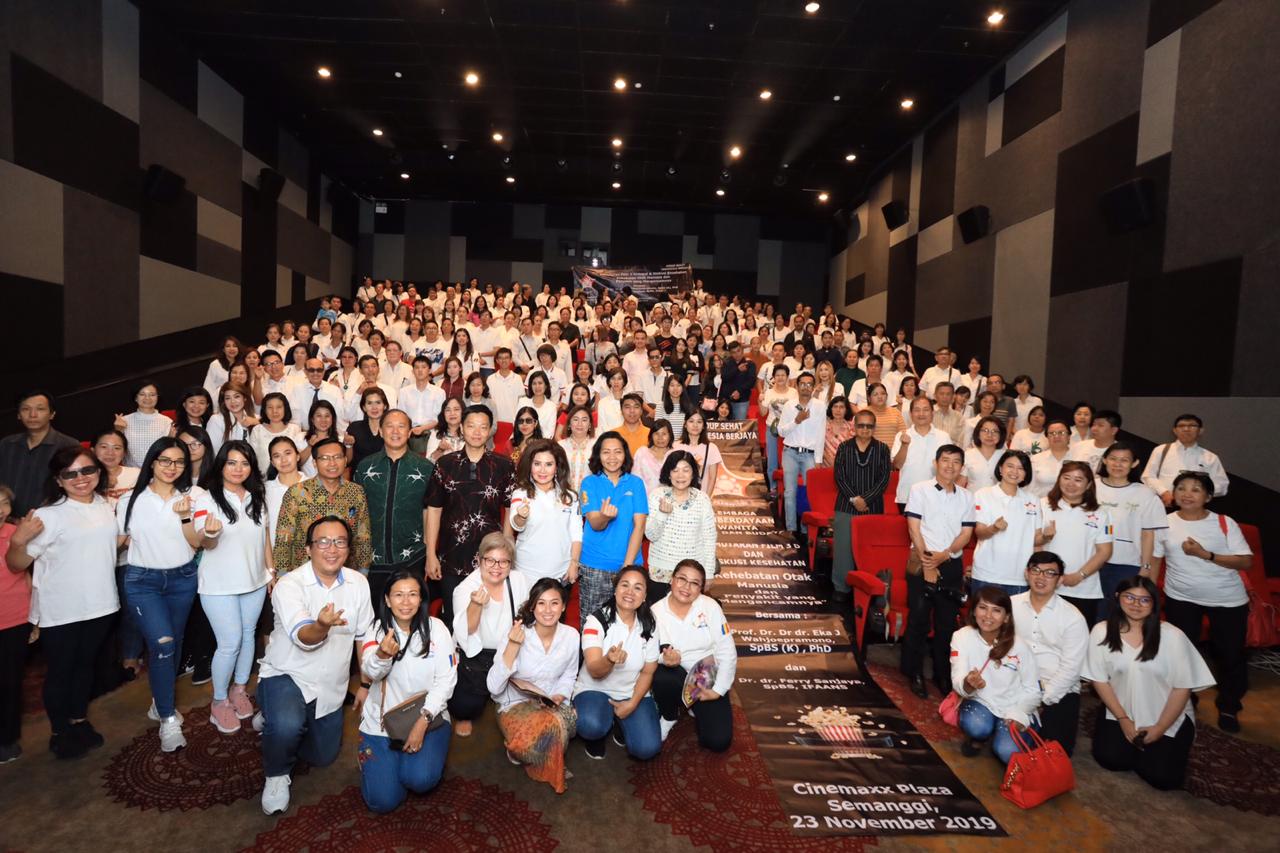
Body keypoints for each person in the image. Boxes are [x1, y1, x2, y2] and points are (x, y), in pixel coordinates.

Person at [6, 447, 118, 760]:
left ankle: (78, 720)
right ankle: (60, 731)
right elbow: (16, 564)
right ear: (58, 480)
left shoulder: (107, 505)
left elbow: (112, 544)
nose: (80, 478)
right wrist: (18, 540)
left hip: (102, 603)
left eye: (87, 470)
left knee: (85, 667)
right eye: (70, 474)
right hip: (61, 609)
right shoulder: (47, 516)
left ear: (98, 472)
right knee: (61, 671)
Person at [258, 517, 375, 815]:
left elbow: (363, 637)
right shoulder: (289, 585)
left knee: (322, 757)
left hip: (329, 687)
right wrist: (322, 625)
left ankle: (275, 717)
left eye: (339, 542)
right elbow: (304, 637)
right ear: (308, 549)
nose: (331, 549)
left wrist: (365, 684)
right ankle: (275, 774)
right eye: (322, 541)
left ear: (348, 549)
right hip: (288, 674)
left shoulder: (358, 583)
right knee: (287, 726)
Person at [1083, 576, 1215, 790]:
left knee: (1162, 779)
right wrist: (1123, 719)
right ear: (1117, 598)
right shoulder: (1102, 630)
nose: (1136, 604)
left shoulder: (1173, 636)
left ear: (1154, 604)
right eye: (1129, 597)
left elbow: (1183, 688)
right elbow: (1099, 680)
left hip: (1165, 717)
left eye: (1144, 600)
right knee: (1111, 760)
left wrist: (1161, 727)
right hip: (1122, 712)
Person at [1154, 471, 1253, 732]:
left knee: (1230, 654)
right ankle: (1187, 698)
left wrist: (1205, 554)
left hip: (1227, 599)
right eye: (1182, 488)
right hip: (1181, 597)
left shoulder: (1224, 522)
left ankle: (1229, 705)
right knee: (1183, 653)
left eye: (1196, 489)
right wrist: (1149, 590)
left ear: (1208, 496)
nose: (1187, 494)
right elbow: (1154, 559)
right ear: (1173, 494)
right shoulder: (1164, 522)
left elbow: (1245, 560)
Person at [357, 570, 455, 813]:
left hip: (427, 716)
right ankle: (378, 765)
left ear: (421, 599)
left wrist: (422, 723)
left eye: (413, 594)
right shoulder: (378, 629)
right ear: (387, 600)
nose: (406, 601)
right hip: (382, 722)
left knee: (420, 780)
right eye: (398, 595)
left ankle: (402, 766)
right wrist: (382, 655)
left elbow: (446, 680)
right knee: (382, 802)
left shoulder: (437, 629)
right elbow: (370, 670)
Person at [193, 440, 273, 734]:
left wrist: (270, 571)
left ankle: (239, 689)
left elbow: (264, 538)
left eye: (244, 463)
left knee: (249, 636)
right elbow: (204, 540)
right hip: (218, 585)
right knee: (230, 642)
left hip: (253, 581)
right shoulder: (207, 499)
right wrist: (211, 534)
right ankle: (218, 701)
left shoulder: (256, 497)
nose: (238, 469)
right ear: (221, 465)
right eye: (232, 462)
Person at [486, 577, 580, 793]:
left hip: (549, 702)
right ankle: (516, 749)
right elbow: (493, 687)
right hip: (514, 704)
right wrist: (512, 646)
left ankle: (542, 754)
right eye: (541, 603)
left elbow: (569, 674)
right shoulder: (517, 634)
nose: (548, 610)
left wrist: (559, 695)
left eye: (554, 603)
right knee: (526, 745)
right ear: (532, 606)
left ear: (563, 606)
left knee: (566, 725)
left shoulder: (572, 636)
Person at [425, 406, 515, 624]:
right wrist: (430, 554)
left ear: (490, 431)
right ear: (462, 429)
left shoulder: (504, 465)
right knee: (453, 618)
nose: (477, 432)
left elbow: (510, 509)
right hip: (451, 556)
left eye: (483, 427)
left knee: (489, 620)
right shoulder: (445, 464)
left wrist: (507, 551)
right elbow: (434, 509)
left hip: (490, 559)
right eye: (471, 426)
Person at [903, 445, 975, 699]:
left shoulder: (966, 496)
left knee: (946, 623)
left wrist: (946, 554)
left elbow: (966, 533)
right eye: (945, 460)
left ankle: (942, 673)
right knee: (919, 620)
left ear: (961, 467)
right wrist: (928, 561)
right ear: (936, 463)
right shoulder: (919, 489)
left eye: (956, 462)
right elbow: (914, 528)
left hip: (951, 563)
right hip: (923, 560)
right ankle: (914, 672)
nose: (950, 466)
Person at [573, 566, 662, 760]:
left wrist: (633, 703)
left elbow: (648, 671)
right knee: (590, 725)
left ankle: (622, 722)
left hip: (631, 691)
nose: (630, 592)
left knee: (647, 749)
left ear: (645, 596)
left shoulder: (650, 623)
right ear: (615, 590)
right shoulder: (596, 621)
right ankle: (598, 733)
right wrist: (609, 660)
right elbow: (595, 670)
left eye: (638, 588)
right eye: (625, 585)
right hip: (595, 689)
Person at [449, 532, 532, 738]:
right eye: (491, 560)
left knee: (524, 703)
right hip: (475, 657)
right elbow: (466, 632)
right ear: (479, 560)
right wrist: (476, 605)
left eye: (504, 562)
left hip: (509, 651)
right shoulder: (464, 589)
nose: (497, 567)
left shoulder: (518, 580)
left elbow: (529, 617)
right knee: (464, 706)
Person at [651, 559, 736, 749]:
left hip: (706, 675)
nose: (686, 587)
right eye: (682, 579)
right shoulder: (655, 612)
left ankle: (694, 705)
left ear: (701, 588)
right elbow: (647, 651)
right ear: (671, 580)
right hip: (675, 673)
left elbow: (727, 650)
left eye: (695, 583)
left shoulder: (710, 606)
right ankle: (669, 715)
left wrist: (718, 690)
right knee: (660, 674)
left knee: (717, 742)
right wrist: (664, 659)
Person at [950, 586, 1041, 762]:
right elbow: (957, 679)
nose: (988, 616)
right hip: (983, 702)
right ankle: (980, 737)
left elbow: (1034, 689)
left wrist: (1019, 714)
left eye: (996, 611)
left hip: (1015, 705)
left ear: (1006, 617)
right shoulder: (961, 636)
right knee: (975, 726)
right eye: (982, 607)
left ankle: (1022, 734)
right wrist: (969, 683)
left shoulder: (1019, 645)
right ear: (974, 610)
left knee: (1007, 752)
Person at [1011, 552, 1089, 756]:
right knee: (1009, 748)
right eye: (1035, 570)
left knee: (1055, 754)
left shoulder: (1073, 617)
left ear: (1060, 580)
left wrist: (1041, 699)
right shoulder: (1010, 605)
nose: (1041, 577)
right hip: (1016, 682)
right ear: (1027, 574)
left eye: (1049, 573)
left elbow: (1071, 670)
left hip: (1057, 689)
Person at [355, 411, 433, 606]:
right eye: (389, 426)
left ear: (409, 432)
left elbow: (430, 512)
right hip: (372, 561)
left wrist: (429, 552)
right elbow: (356, 513)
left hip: (413, 559)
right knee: (373, 620)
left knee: (411, 617)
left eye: (401, 426)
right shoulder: (365, 467)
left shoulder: (425, 468)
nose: (395, 431)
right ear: (380, 431)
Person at [577, 432, 648, 630]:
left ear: (625, 455)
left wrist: (626, 568)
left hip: (630, 567)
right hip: (594, 566)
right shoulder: (589, 483)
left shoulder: (636, 483)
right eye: (606, 452)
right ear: (598, 455)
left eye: (617, 452)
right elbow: (595, 523)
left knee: (626, 625)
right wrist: (605, 516)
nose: (612, 457)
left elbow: (639, 526)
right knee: (592, 624)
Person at [272, 437, 373, 575]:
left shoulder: (356, 492)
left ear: (345, 460)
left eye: (337, 457)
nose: (332, 463)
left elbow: (363, 534)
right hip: (304, 574)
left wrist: (363, 570)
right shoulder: (297, 492)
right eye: (325, 458)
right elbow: (284, 537)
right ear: (315, 463)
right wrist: (282, 574)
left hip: (346, 572)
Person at [1095, 443, 1167, 619]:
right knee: (1089, 612)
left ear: (1134, 464)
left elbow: (1148, 534)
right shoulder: (1091, 487)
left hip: (1126, 564)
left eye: (1124, 460)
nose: (1117, 464)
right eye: (1113, 459)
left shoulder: (1145, 494)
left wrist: (1146, 567)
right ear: (1104, 460)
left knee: (1113, 615)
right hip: (1090, 560)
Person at [1037, 462, 1113, 626]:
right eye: (1066, 478)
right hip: (1045, 586)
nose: (1071, 484)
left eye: (1078, 480)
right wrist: (1044, 538)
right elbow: (1032, 542)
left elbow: (1105, 551)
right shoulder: (1042, 505)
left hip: (1083, 589)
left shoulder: (1100, 513)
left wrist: (1080, 576)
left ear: (1089, 485)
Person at [831, 410, 892, 602]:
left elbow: (884, 479)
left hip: (872, 507)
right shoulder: (843, 447)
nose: (864, 429)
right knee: (843, 550)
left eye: (869, 426)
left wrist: (865, 500)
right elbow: (839, 476)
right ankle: (841, 587)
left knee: (870, 552)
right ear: (854, 427)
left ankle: (871, 588)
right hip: (846, 506)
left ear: (874, 428)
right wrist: (855, 499)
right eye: (861, 425)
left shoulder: (882, 449)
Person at [504, 440, 583, 585]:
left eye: (548, 464)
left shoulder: (570, 496)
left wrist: (574, 563)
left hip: (562, 572)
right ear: (530, 466)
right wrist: (521, 516)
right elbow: (517, 525)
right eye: (537, 464)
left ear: (557, 467)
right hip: (526, 572)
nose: (542, 470)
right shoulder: (520, 493)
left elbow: (576, 533)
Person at [645, 452, 717, 603]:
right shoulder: (656, 496)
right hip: (660, 572)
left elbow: (709, 538)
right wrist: (662, 515)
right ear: (668, 473)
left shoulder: (702, 499)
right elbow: (651, 535)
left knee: (689, 620)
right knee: (658, 620)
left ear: (693, 474)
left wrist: (709, 572)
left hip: (691, 574)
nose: (680, 475)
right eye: (675, 470)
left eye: (686, 470)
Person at [970, 450, 1042, 596]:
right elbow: (980, 533)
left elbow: (1037, 541)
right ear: (1000, 469)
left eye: (1021, 468)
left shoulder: (1033, 500)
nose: (1015, 471)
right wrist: (994, 528)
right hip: (987, 575)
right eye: (1010, 466)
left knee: (1015, 619)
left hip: (1020, 577)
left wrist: (1047, 537)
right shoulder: (983, 494)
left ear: (1026, 474)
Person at [0, 391, 80, 516]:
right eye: (26, 409)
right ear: (18, 415)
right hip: (6, 521)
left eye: (40, 409)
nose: (33, 415)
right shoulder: (6, 444)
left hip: (50, 521)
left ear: (52, 414)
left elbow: (75, 486)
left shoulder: (69, 445)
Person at [1141, 414, 1230, 506]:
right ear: (1174, 430)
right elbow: (1148, 476)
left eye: (1192, 425)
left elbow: (1222, 485)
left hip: (1194, 509)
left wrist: (1197, 493)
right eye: (1181, 426)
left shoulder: (1210, 457)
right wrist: (1163, 492)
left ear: (1200, 431)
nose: (1186, 429)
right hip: (1161, 504)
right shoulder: (1161, 450)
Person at [778, 372, 826, 533]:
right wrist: (797, 421)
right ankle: (791, 529)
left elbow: (821, 434)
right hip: (790, 452)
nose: (806, 387)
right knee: (789, 492)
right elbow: (781, 431)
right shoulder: (789, 405)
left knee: (810, 493)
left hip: (810, 455)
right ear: (797, 386)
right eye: (803, 384)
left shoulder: (819, 406)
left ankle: (806, 531)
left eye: (809, 384)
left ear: (813, 387)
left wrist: (818, 459)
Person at [891, 396, 950, 512]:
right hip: (907, 496)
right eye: (917, 410)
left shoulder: (943, 437)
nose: (921, 414)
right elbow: (897, 465)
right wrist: (904, 445)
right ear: (911, 414)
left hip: (936, 496)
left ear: (932, 413)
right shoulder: (901, 435)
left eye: (926, 409)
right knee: (910, 531)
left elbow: (950, 467)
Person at [112, 382, 174, 468]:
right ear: (136, 398)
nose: (147, 398)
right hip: (132, 472)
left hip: (158, 472)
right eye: (142, 394)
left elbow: (170, 451)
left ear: (157, 397)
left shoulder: (167, 421)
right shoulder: (124, 421)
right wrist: (118, 430)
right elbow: (116, 448)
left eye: (152, 395)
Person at [248, 392, 305, 474]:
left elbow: (299, 458)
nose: (274, 411)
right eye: (270, 407)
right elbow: (252, 459)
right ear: (264, 410)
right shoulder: (257, 430)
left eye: (279, 407)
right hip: (263, 481)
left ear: (285, 408)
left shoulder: (295, 429)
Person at [346, 387, 388, 470]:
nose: (374, 407)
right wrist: (348, 446)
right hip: (360, 477)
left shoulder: (392, 429)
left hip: (385, 476)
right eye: (369, 403)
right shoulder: (354, 428)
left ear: (385, 406)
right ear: (364, 407)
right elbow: (347, 461)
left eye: (378, 403)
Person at [959, 416, 1005, 492]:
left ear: (1001, 435)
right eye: (985, 430)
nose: (990, 435)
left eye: (995, 431)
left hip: (998, 501)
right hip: (974, 500)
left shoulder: (1005, 456)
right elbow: (961, 483)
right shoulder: (968, 455)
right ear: (978, 433)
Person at [1030, 419, 1072, 498]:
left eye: (1061, 433)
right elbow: (1030, 488)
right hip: (1043, 506)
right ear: (1047, 437)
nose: (1056, 436)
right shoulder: (1036, 459)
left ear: (1069, 436)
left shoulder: (1079, 458)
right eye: (1052, 433)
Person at [633, 419, 676, 495]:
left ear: (670, 435)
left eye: (664, 434)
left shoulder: (674, 455)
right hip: (644, 499)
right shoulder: (642, 453)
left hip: (669, 500)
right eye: (656, 433)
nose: (660, 438)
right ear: (651, 435)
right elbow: (635, 478)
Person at [559, 405, 595, 492]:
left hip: (591, 496)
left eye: (584, 420)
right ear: (569, 424)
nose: (580, 424)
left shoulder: (597, 445)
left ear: (590, 425)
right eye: (575, 419)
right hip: (564, 496)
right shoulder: (560, 446)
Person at [719, 341, 757, 420]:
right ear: (730, 353)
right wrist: (737, 369)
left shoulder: (750, 363)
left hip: (742, 400)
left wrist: (739, 391)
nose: (737, 354)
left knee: (740, 428)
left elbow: (751, 381)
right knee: (726, 427)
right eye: (734, 352)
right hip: (727, 401)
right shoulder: (727, 363)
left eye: (738, 351)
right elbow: (724, 377)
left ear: (742, 350)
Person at [425, 397, 465, 462]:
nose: (452, 413)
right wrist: (440, 450)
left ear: (463, 412)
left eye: (456, 409)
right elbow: (428, 462)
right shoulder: (436, 433)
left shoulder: (469, 432)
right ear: (443, 414)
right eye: (448, 410)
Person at [820, 396, 855, 468]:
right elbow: (819, 447)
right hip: (825, 467)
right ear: (831, 409)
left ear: (846, 410)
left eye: (841, 407)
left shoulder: (851, 428)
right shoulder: (823, 426)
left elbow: (852, 450)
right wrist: (829, 460)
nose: (838, 410)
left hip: (845, 468)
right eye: (835, 406)